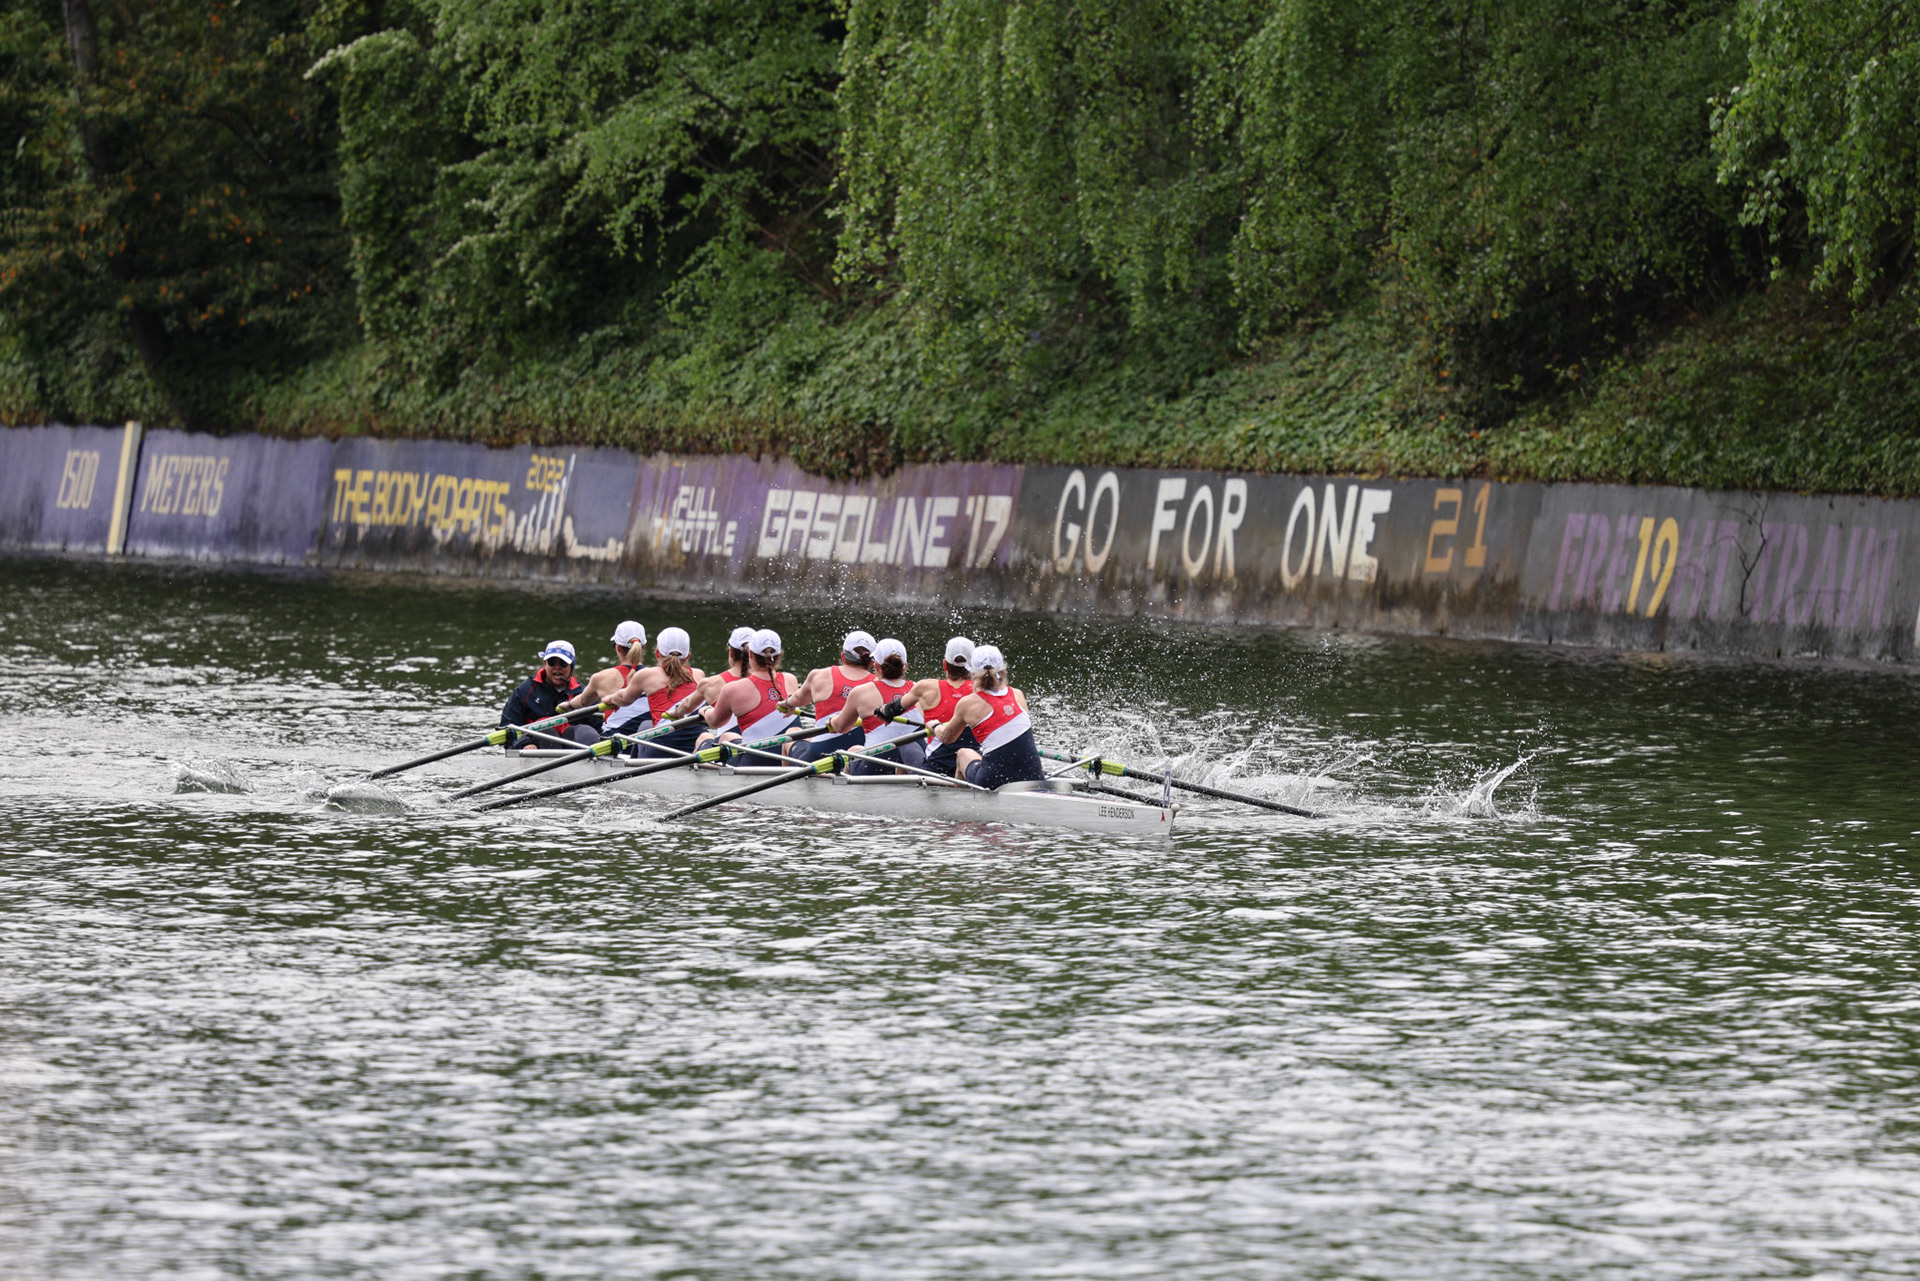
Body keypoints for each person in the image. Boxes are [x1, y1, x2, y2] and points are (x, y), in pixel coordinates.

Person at [581, 627, 706, 758]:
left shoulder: (646, 675)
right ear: (688, 656)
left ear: (657, 653)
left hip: (661, 750)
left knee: (645, 726)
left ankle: (631, 765)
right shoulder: (699, 675)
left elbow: (623, 699)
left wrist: (610, 699)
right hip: (693, 750)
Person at [934, 644, 1042, 788]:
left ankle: (961, 799)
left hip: (992, 781)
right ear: (1003, 671)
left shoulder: (967, 703)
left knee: (963, 753)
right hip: (1034, 777)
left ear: (972, 674)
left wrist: (934, 726)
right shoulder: (1018, 695)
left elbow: (947, 738)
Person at [697, 628, 801, 755]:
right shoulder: (791, 680)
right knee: (795, 732)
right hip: (787, 757)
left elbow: (715, 722)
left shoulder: (732, 688)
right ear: (778, 656)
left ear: (750, 654)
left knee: (720, 737)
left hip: (752, 760)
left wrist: (706, 710)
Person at [780, 629, 878, 762]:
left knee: (793, 732)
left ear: (843, 656)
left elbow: (798, 699)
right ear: (872, 662)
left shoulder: (819, 675)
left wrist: (787, 704)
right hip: (857, 758)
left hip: (818, 757)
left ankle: (788, 775)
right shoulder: (878, 685)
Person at [834, 637, 926, 775]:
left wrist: (832, 721)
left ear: (876, 666)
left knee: (853, 750)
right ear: (905, 666)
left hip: (875, 767)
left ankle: (846, 784)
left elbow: (842, 727)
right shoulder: (919, 690)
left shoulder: (861, 692)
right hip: (913, 764)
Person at [500, 640, 600, 748]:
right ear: (545, 663)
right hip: (535, 743)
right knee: (548, 733)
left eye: (563, 663)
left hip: (570, 743)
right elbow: (507, 725)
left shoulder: (583, 693)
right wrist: (524, 744)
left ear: (572, 666)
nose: (557, 667)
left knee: (586, 732)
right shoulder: (525, 690)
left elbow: (601, 726)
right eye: (552, 662)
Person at [912, 636, 978, 778]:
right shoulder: (984, 692)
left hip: (935, 769)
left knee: (906, 745)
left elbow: (892, 710)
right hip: (971, 768)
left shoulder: (926, 687)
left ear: (945, 664)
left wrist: (882, 711)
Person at [667, 625, 753, 729]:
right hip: (762, 738)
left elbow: (687, 706)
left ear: (730, 652)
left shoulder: (710, 684)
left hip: (728, 737)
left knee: (706, 736)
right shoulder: (770, 679)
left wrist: (677, 712)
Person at [580, 621, 648, 736]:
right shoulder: (658, 677)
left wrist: (568, 706)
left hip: (615, 741)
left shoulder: (600, 678)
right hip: (648, 739)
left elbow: (582, 702)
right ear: (644, 647)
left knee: (580, 730)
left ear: (618, 648)